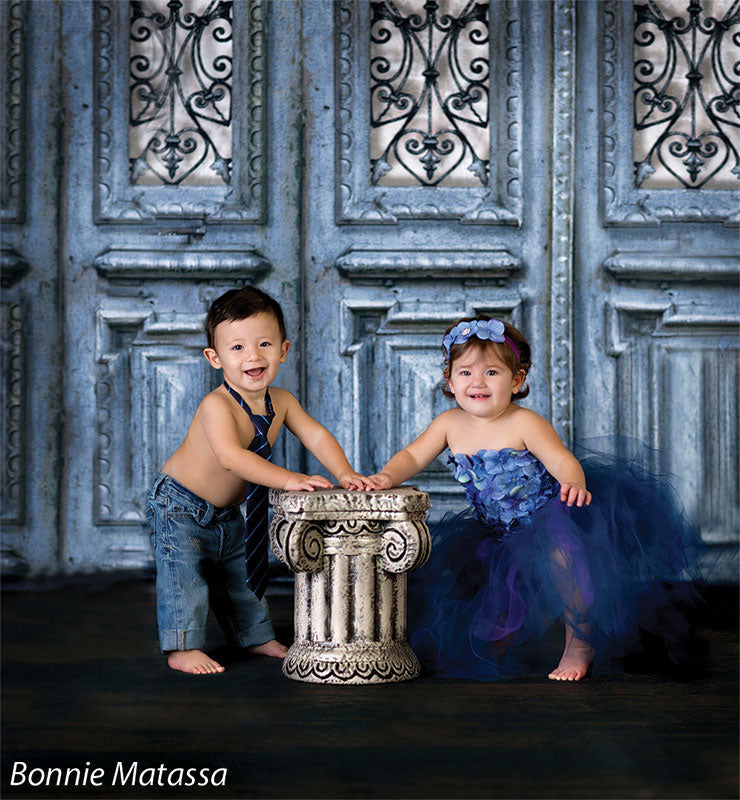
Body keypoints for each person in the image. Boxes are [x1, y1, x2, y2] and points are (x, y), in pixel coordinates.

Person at [369, 316, 702, 681]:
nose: (477, 382)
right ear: (449, 380)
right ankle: (503, 636)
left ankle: (580, 642)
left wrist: (572, 481)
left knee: (563, 563)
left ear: (517, 380)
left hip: (549, 516)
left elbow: (561, 458)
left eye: (492, 373)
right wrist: (387, 475)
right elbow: (413, 456)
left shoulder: (525, 423)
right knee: (489, 581)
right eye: (465, 373)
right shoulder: (448, 423)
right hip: (496, 527)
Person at [146, 286, 375, 675]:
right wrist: (287, 479)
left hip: (228, 512)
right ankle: (182, 647)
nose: (253, 356)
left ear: (283, 350)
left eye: (264, 344)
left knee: (241, 579)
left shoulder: (281, 401)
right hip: (179, 506)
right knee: (183, 578)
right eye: (237, 348)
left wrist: (344, 472)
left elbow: (316, 435)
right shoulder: (216, 405)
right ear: (214, 358)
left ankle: (255, 637)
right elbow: (233, 459)